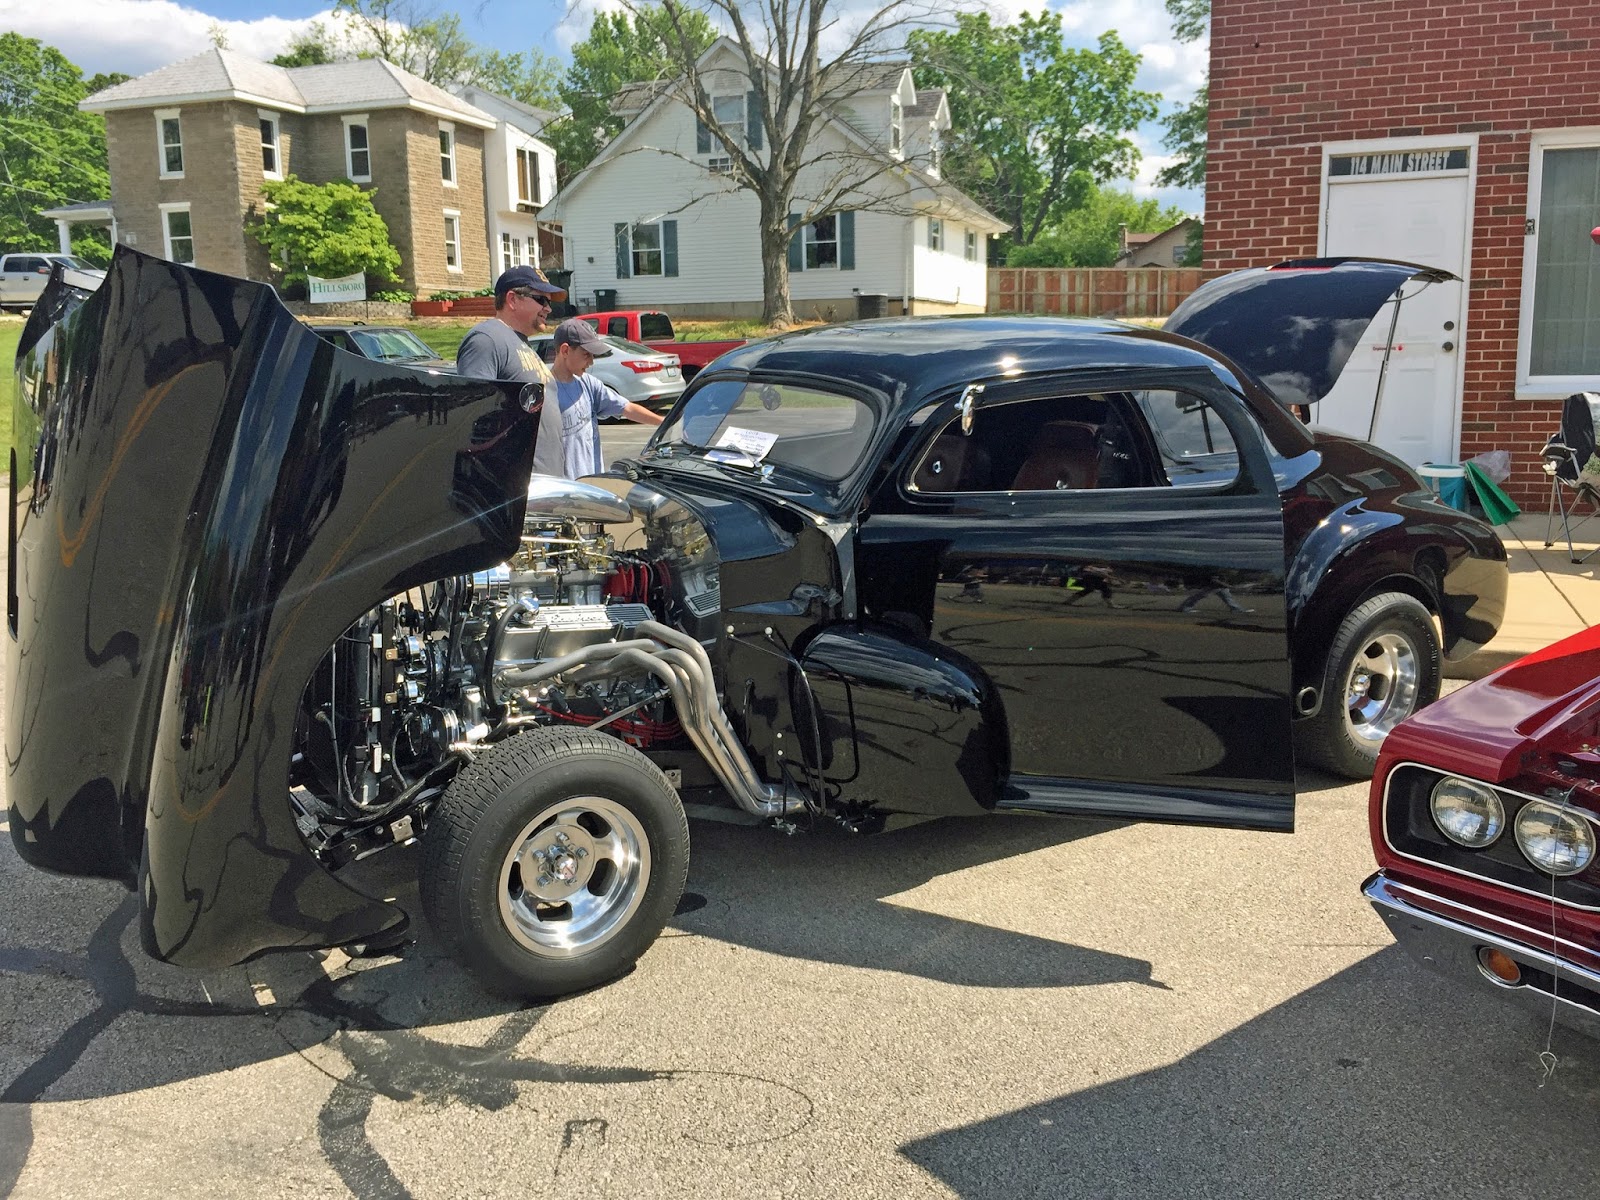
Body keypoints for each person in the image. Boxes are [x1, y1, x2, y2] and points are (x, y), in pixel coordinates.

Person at [454, 265, 566, 474]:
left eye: (549, 302)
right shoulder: (487, 339)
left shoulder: (523, 345)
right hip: (517, 490)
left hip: (546, 487)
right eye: (541, 299)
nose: (548, 308)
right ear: (512, 299)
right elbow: (472, 419)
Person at [547, 317, 664, 479]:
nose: (591, 362)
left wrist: (664, 423)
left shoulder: (588, 384)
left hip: (594, 484)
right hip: (566, 490)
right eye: (586, 354)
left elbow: (627, 408)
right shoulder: (546, 391)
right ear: (565, 351)